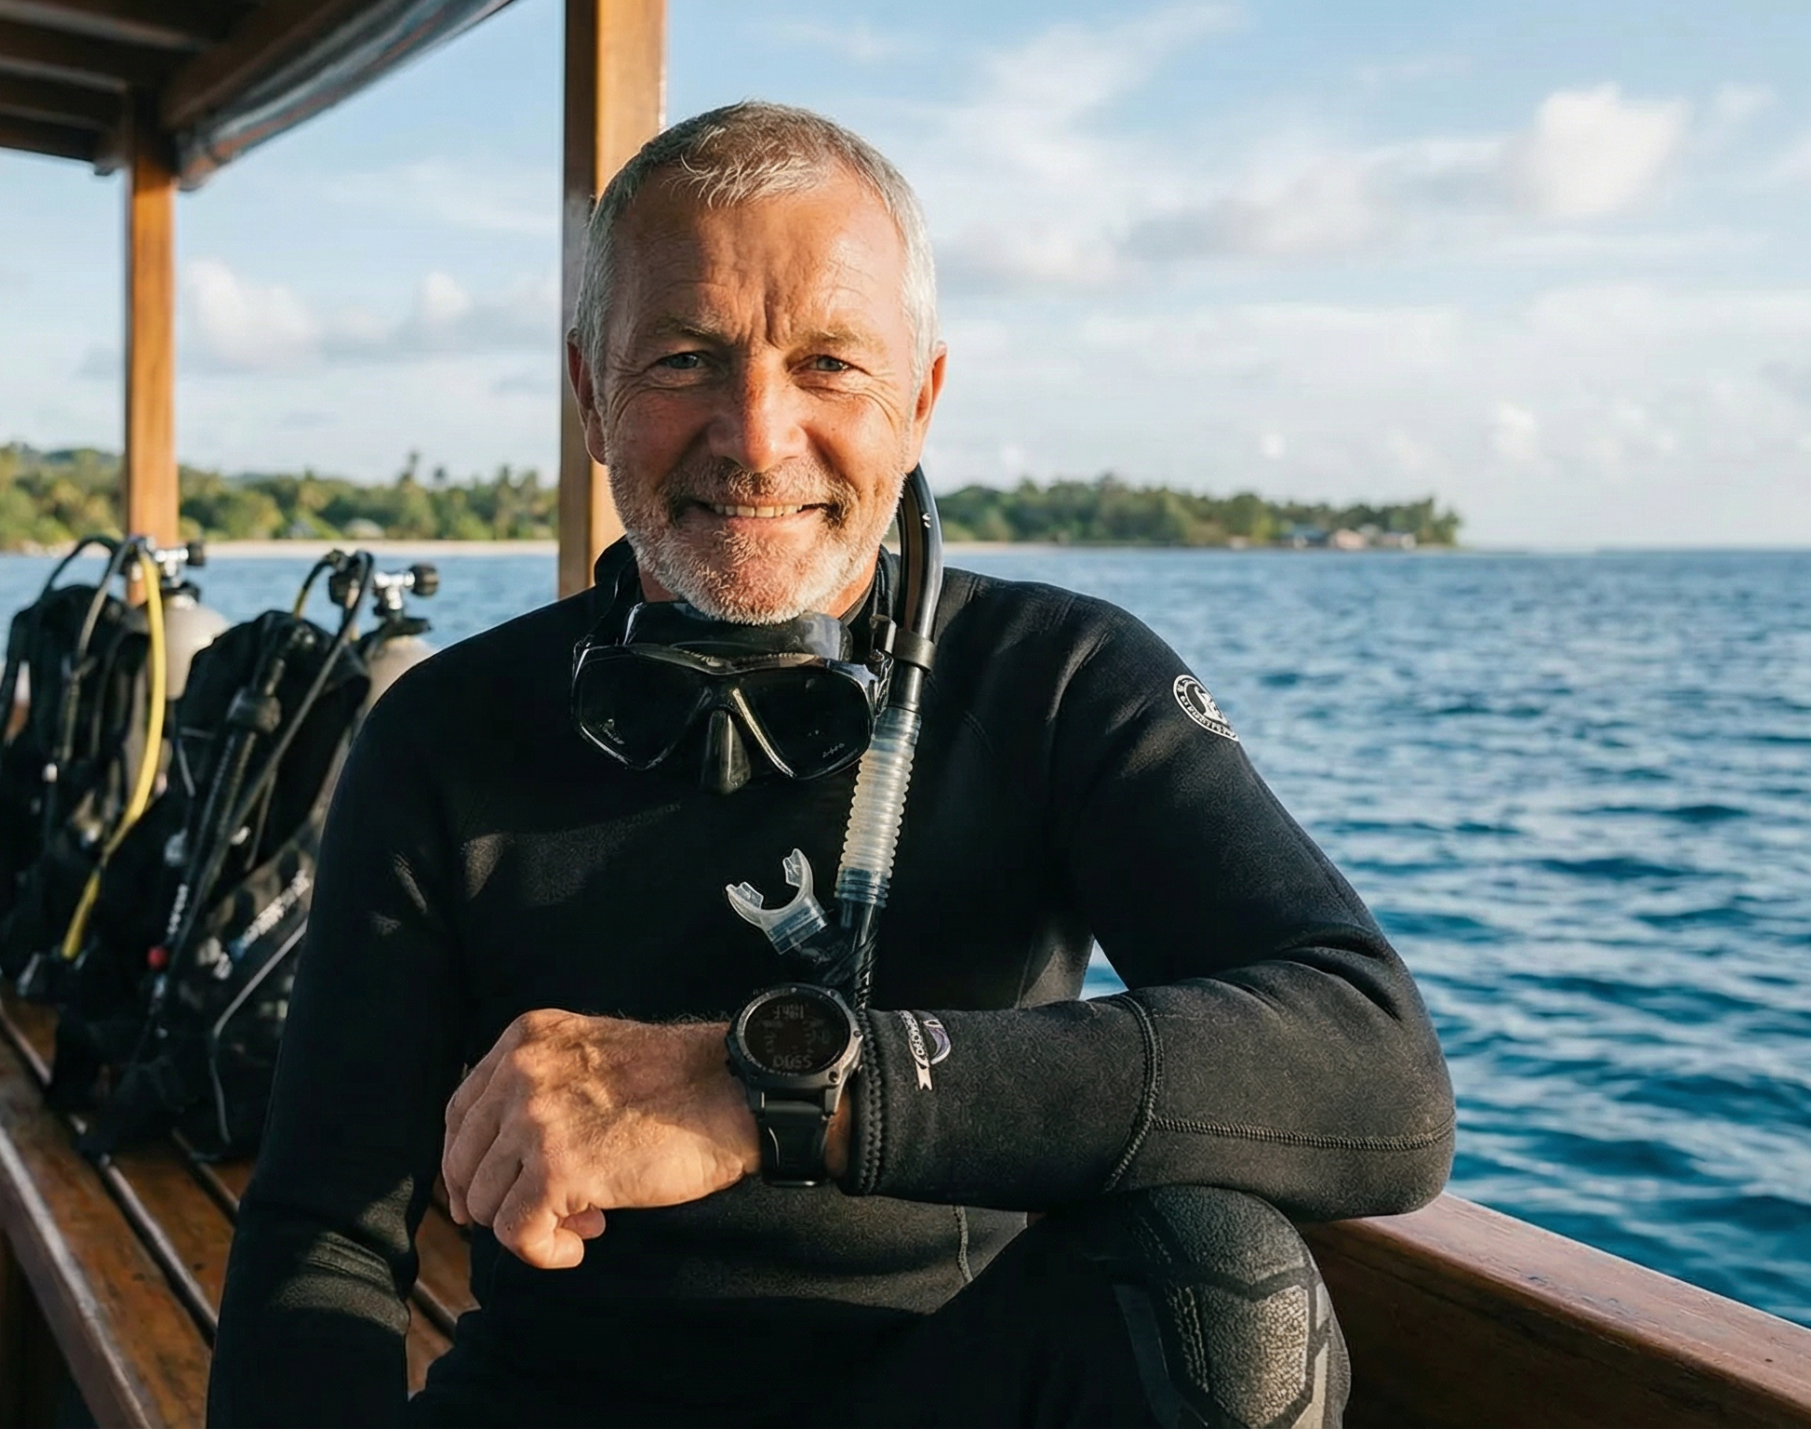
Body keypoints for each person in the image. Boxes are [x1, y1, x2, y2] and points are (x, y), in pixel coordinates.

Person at [209, 101, 1454, 1429]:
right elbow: (322, 1239)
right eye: (686, 357)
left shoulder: (1056, 682)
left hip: (943, 1388)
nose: (755, 434)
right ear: (589, 393)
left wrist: (773, 1086)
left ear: (919, 400)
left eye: (829, 363)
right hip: (558, 1397)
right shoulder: (443, 737)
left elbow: (1374, 1075)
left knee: (1228, 1288)